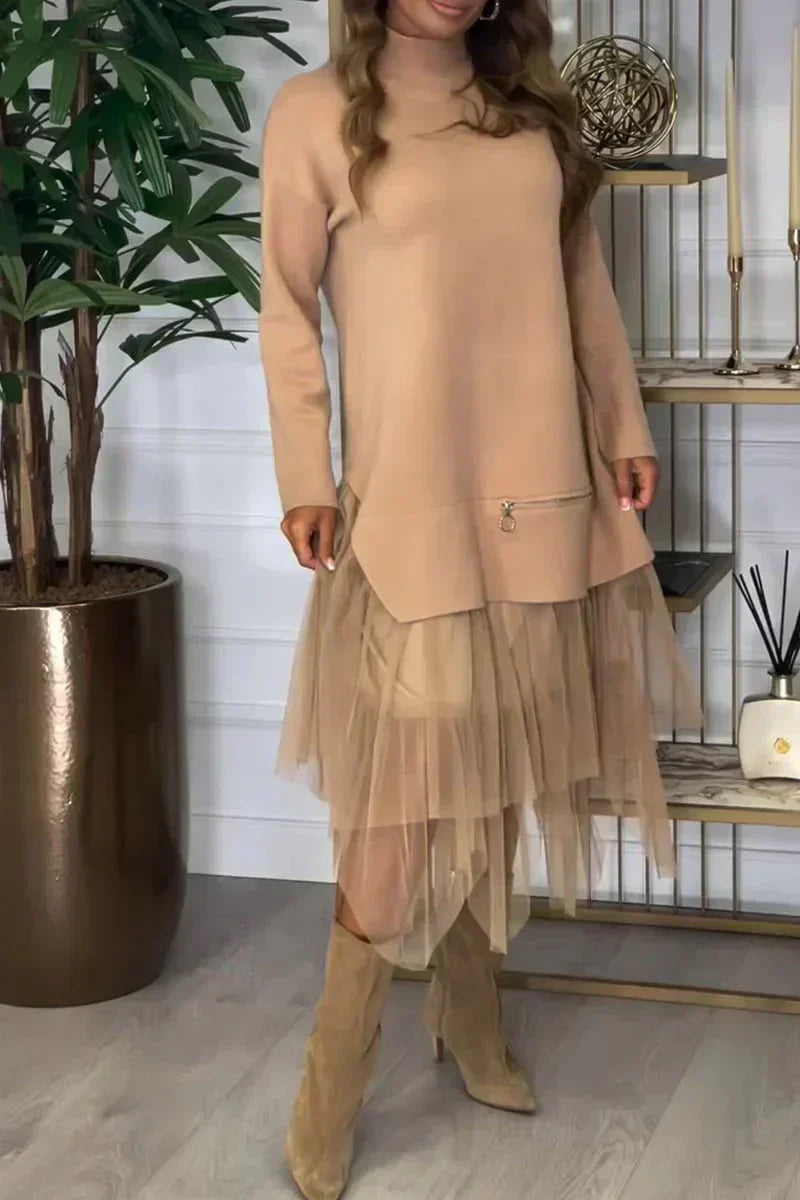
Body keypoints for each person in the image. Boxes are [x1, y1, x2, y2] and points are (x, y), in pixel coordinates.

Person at [259, 0, 701, 1195]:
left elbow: (579, 282)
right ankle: (332, 1077)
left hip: (542, 481)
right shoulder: (313, 115)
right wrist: (305, 478)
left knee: (499, 760)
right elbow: (287, 314)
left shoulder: (529, 117)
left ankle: (468, 1012)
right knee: (400, 800)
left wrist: (620, 423)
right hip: (408, 497)